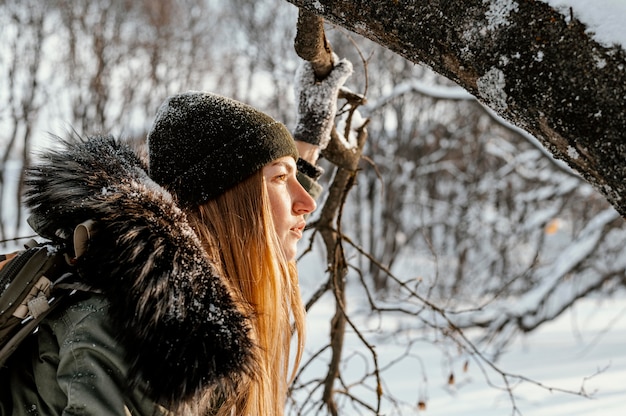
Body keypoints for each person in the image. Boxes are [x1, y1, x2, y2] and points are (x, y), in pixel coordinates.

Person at [0, 57, 352, 415]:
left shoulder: (179, 299)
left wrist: (310, 134)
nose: (306, 202)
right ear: (227, 204)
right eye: (280, 178)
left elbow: (267, 221)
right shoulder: (135, 331)